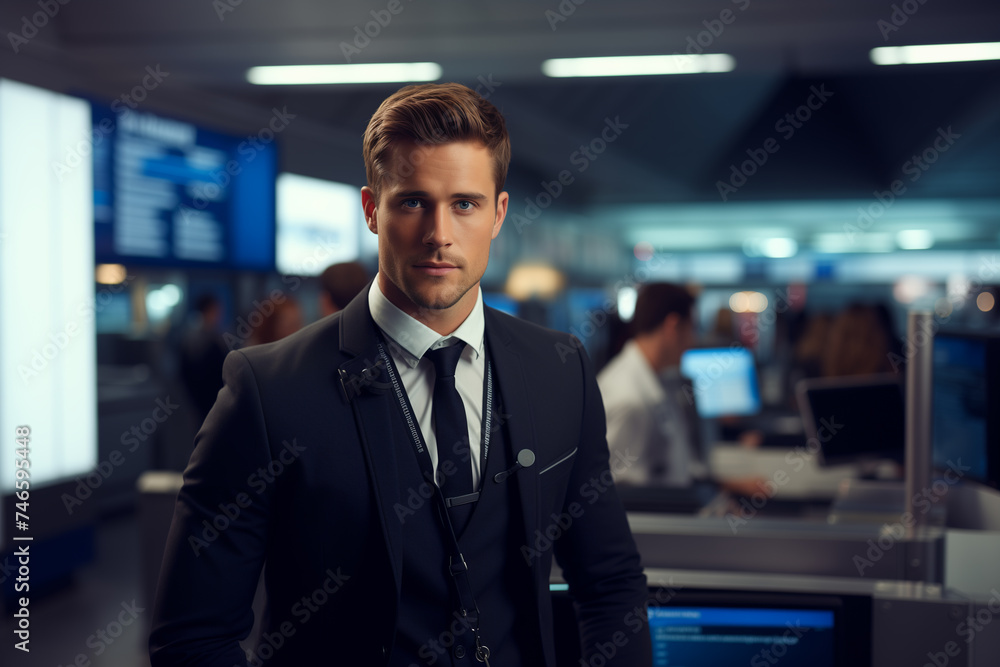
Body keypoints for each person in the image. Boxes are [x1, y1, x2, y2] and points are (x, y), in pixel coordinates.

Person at [150, 83, 651, 666]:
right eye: (413, 201)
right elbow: (193, 637)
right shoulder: (267, 390)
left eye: (465, 203)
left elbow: (610, 582)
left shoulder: (559, 368)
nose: (439, 233)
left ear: (498, 214)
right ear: (371, 210)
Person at [598, 282, 702, 487]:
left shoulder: (657, 379)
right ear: (672, 326)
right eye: (692, 329)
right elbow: (622, 492)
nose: (693, 341)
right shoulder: (629, 399)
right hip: (657, 517)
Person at [178, 294, 227, 424]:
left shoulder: (212, 334)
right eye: (216, 310)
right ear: (208, 310)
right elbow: (188, 371)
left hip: (210, 395)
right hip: (205, 396)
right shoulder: (198, 337)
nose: (219, 314)